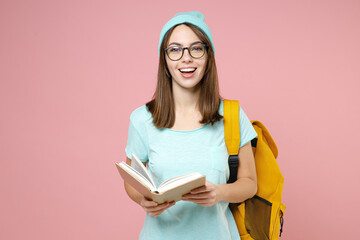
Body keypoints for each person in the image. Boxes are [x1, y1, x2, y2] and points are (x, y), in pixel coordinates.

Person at [124, 11, 258, 240]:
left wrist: (218, 193)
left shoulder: (232, 115)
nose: (186, 58)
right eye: (175, 50)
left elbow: (250, 184)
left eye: (196, 48)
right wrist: (144, 200)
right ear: (164, 61)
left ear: (208, 56)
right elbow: (131, 181)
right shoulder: (141, 119)